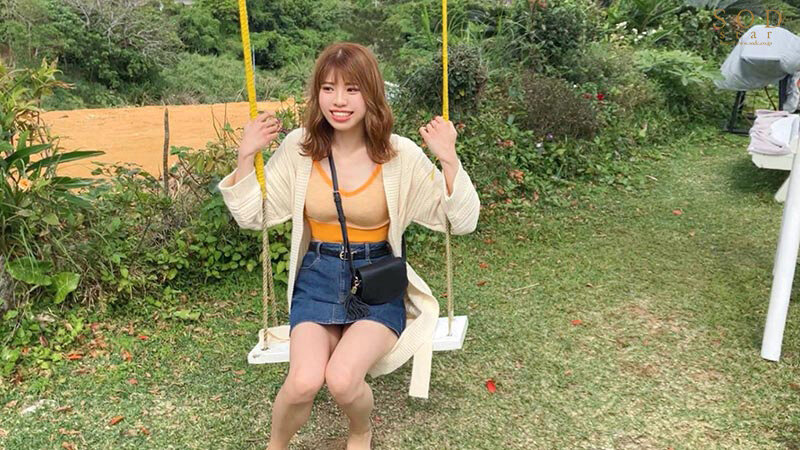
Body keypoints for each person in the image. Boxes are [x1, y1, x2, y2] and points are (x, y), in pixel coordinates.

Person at [217, 42, 480, 450]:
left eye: (352, 89)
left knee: (341, 379)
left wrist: (449, 160)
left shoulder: (400, 155)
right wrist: (245, 156)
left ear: (371, 94)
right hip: (317, 278)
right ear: (317, 94)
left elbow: (460, 222)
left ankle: (360, 431)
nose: (338, 101)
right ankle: (275, 445)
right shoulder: (300, 148)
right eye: (328, 88)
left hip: (375, 283)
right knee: (303, 382)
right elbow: (254, 216)